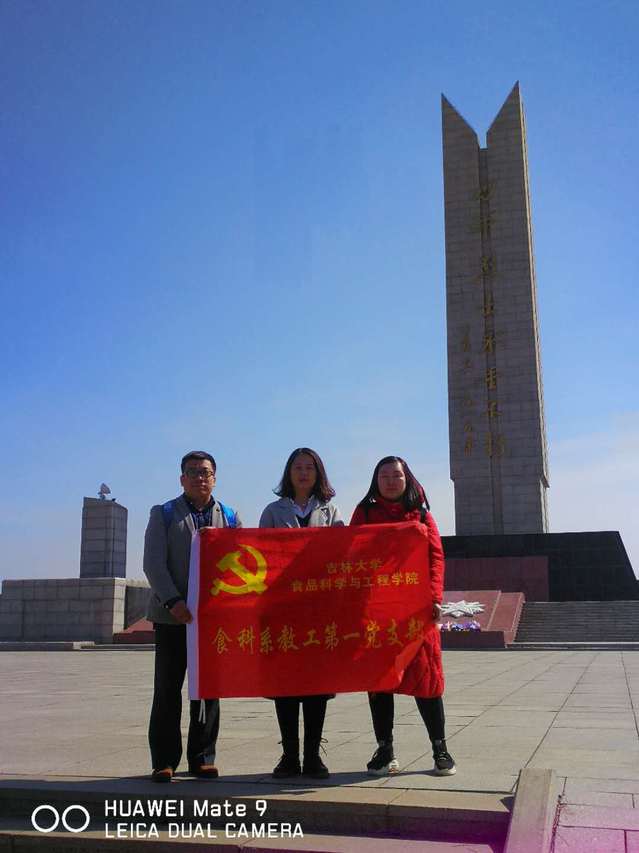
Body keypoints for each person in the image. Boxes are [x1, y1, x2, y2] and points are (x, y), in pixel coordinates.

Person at [350, 455, 456, 777]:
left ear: (407, 478)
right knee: (379, 681)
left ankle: (440, 749)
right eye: (384, 476)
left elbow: (435, 557)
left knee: (427, 680)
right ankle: (385, 750)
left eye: (396, 475)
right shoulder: (364, 513)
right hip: (377, 612)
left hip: (416, 611)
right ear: (376, 480)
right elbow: (349, 553)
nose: (391, 481)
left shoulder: (421, 514)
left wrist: (435, 596)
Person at [143, 450, 242, 783]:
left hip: (212, 622)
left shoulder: (230, 516)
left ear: (215, 478)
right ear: (182, 478)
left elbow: (240, 564)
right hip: (173, 618)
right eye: (193, 472)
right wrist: (174, 601)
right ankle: (164, 760)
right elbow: (153, 563)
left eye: (206, 472)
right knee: (167, 689)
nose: (200, 477)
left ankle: (202, 757)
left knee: (208, 689)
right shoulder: (164, 513)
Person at [259, 447, 344, 779]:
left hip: (319, 611)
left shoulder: (331, 511)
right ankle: (289, 756)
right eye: (298, 467)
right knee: (285, 685)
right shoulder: (272, 511)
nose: (304, 472)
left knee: (316, 685)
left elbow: (341, 554)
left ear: (318, 473)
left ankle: (312, 757)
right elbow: (261, 556)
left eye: (310, 467)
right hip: (283, 610)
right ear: (289, 473)